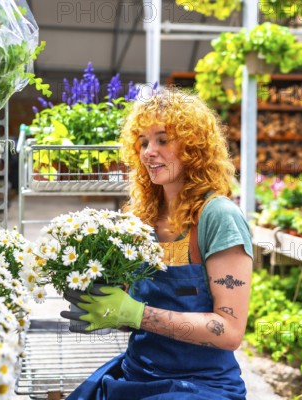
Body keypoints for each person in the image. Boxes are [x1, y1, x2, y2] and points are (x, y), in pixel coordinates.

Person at [60, 87, 254, 399]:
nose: (149, 151)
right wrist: (106, 309)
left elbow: (229, 331)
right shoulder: (141, 218)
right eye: (144, 142)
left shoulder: (218, 217)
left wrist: (135, 313)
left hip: (201, 386)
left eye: (163, 140)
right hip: (135, 375)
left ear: (194, 146)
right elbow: (131, 308)